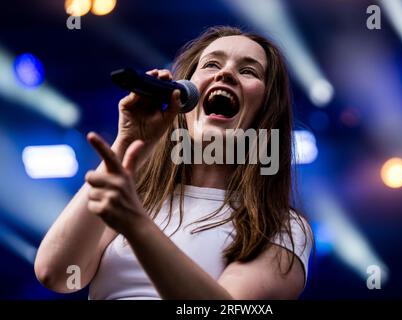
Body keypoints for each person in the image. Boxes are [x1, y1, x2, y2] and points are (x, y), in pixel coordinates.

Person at [34, 26, 313, 300]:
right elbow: (56, 273)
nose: (225, 73)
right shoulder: (137, 199)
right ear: (184, 95)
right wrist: (128, 145)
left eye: (248, 71)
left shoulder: (282, 227)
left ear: (266, 110)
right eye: (212, 64)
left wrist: (136, 225)